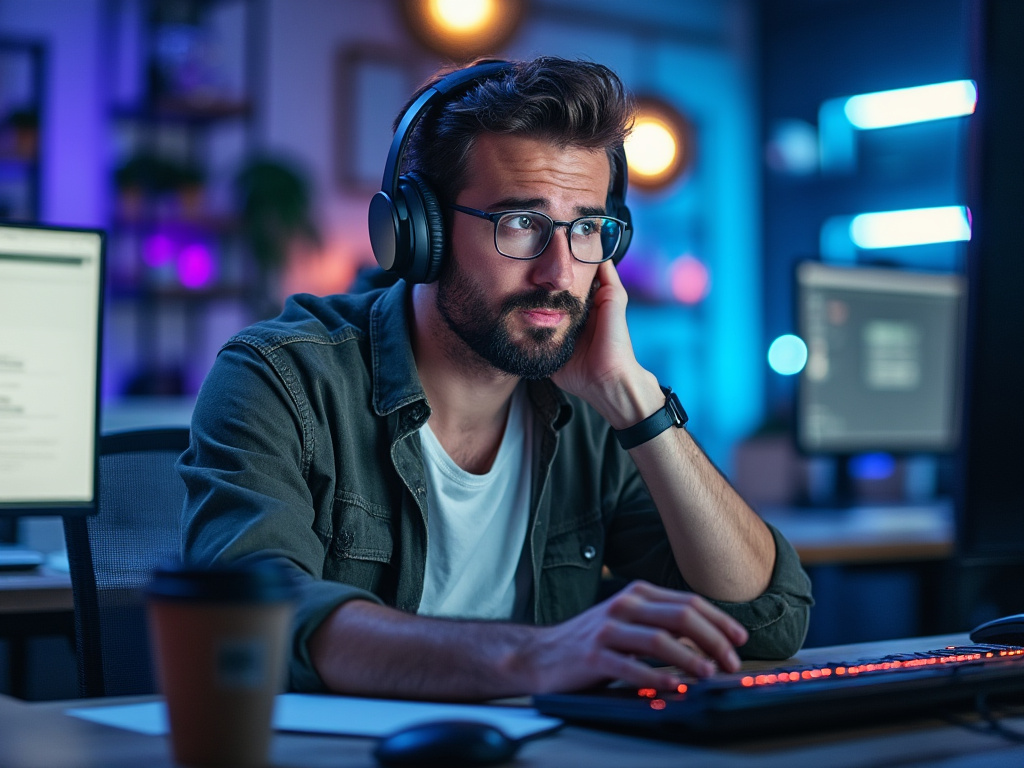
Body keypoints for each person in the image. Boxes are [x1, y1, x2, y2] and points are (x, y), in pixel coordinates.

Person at [179, 56, 813, 701]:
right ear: (417, 231)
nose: (559, 274)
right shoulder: (282, 379)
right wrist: (531, 658)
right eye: (520, 223)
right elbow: (249, 622)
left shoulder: (595, 409)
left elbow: (765, 621)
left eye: (587, 227)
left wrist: (636, 401)